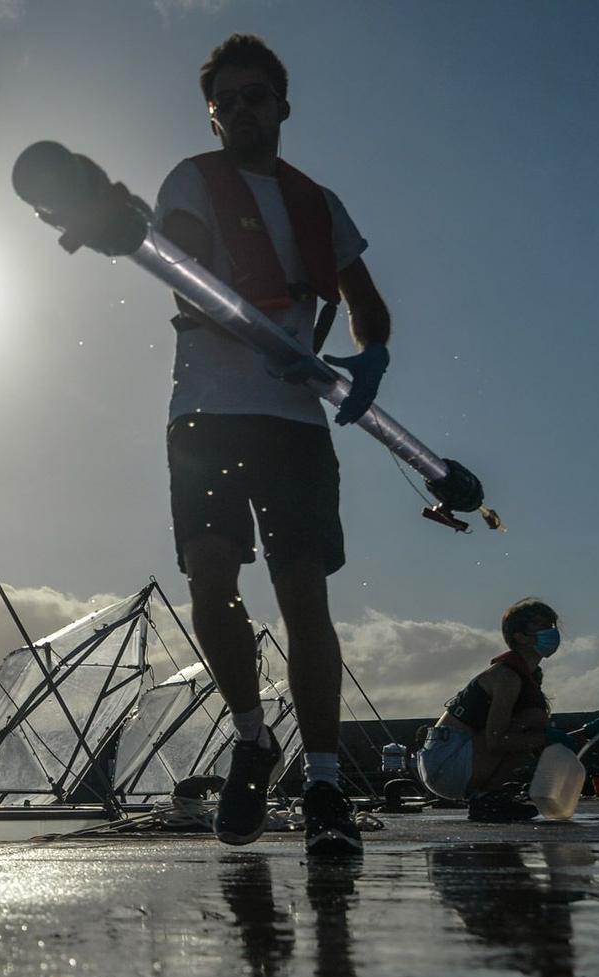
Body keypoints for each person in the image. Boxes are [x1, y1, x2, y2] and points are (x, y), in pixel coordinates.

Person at [154, 34, 392, 856]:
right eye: (228, 101)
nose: (244, 109)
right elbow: (177, 267)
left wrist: (372, 356)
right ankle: (253, 737)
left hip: (295, 423)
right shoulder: (192, 180)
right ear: (214, 115)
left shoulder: (318, 203)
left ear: (282, 105)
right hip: (209, 413)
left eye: (258, 95)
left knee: (304, 597)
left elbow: (368, 302)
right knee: (212, 579)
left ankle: (324, 783)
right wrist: (249, 331)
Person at [417, 598, 599, 821]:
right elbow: (498, 741)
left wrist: (585, 734)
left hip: (457, 763)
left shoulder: (529, 675)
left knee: (535, 724)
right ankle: (486, 800)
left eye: (552, 626)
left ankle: (487, 797)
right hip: (446, 766)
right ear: (520, 637)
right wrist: (546, 736)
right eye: (543, 627)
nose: (552, 633)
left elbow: (528, 741)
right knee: (534, 719)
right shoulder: (506, 677)